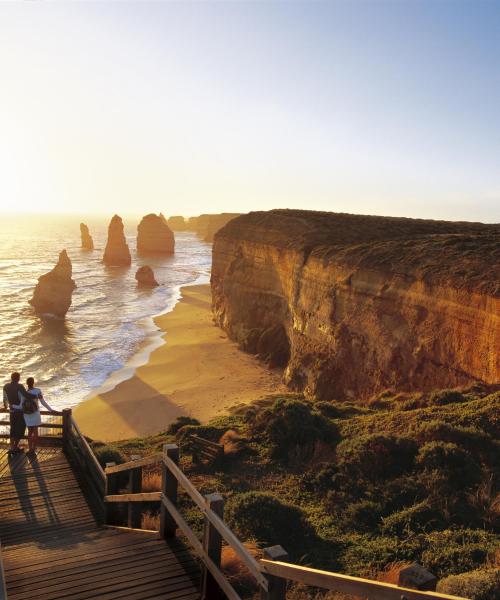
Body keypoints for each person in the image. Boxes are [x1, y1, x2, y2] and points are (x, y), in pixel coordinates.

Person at [22, 377, 55, 457]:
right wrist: (51, 410)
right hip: (35, 413)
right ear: (33, 383)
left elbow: (21, 405)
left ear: (27, 383)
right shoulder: (38, 391)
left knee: (29, 432)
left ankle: (30, 450)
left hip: (27, 414)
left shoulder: (24, 393)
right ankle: (34, 449)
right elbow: (43, 402)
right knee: (35, 431)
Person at [2, 372, 34, 455]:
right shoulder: (20, 386)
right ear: (18, 378)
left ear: (11, 378)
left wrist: (6, 407)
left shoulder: (6, 386)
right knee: (20, 428)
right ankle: (15, 447)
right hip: (20, 411)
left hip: (12, 411)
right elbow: (26, 395)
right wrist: (35, 396)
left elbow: (5, 399)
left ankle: (12, 447)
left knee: (13, 428)